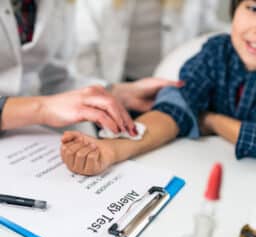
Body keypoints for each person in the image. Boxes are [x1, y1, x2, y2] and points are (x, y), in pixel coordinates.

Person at [61, 0, 256, 176]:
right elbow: (174, 109)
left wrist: (210, 120)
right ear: (234, 7)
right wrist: (111, 149)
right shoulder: (217, 52)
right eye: (253, 8)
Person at [0, 0, 178, 135]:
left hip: (22, 134)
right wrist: (41, 108)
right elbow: (47, 103)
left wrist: (117, 92)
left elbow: (57, 79)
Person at [75, 0, 227, 84]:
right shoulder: (95, 4)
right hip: (116, 83)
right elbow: (85, 55)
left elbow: (206, 29)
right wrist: (106, 91)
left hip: (170, 84)